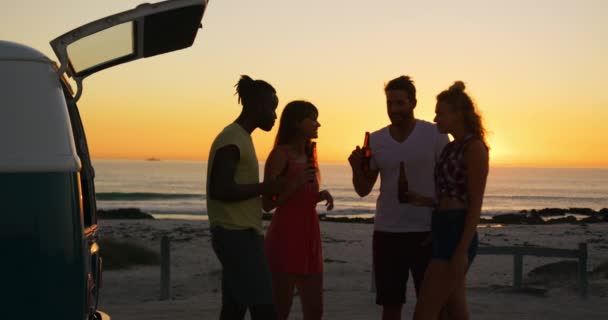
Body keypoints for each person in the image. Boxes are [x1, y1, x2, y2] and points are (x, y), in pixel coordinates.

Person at [348, 76, 449, 320]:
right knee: (390, 305)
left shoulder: (435, 134)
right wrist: (355, 167)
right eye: (390, 103)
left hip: (426, 232)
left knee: (433, 305)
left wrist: (443, 225)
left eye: (400, 103)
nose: (394, 109)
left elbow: (448, 186)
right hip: (387, 233)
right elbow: (363, 189)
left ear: (413, 103)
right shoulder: (377, 139)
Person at [411, 81, 489, 320]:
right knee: (456, 311)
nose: (435, 119)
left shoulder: (474, 148)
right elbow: (448, 194)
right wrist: (424, 202)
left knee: (424, 313)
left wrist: (461, 250)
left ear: (458, 114)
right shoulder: (449, 148)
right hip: (443, 226)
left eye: (440, 113)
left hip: (457, 231)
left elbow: (474, 204)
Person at [206, 75, 283, 320]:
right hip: (236, 236)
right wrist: (265, 186)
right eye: (273, 107)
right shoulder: (232, 139)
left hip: (240, 234)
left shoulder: (241, 138)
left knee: (234, 308)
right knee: (264, 308)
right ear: (258, 105)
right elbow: (220, 190)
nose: (275, 115)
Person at [262, 100, 334, 320]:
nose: (318, 124)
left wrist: (319, 196)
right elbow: (267, 204)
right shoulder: (280, 155)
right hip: (285, 238)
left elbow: (302, 199)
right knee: (280, 311)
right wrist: (295, 184)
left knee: (315, 311)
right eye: (312, 118)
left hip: (310, 238)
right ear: (295, 123)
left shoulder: (310, 155)